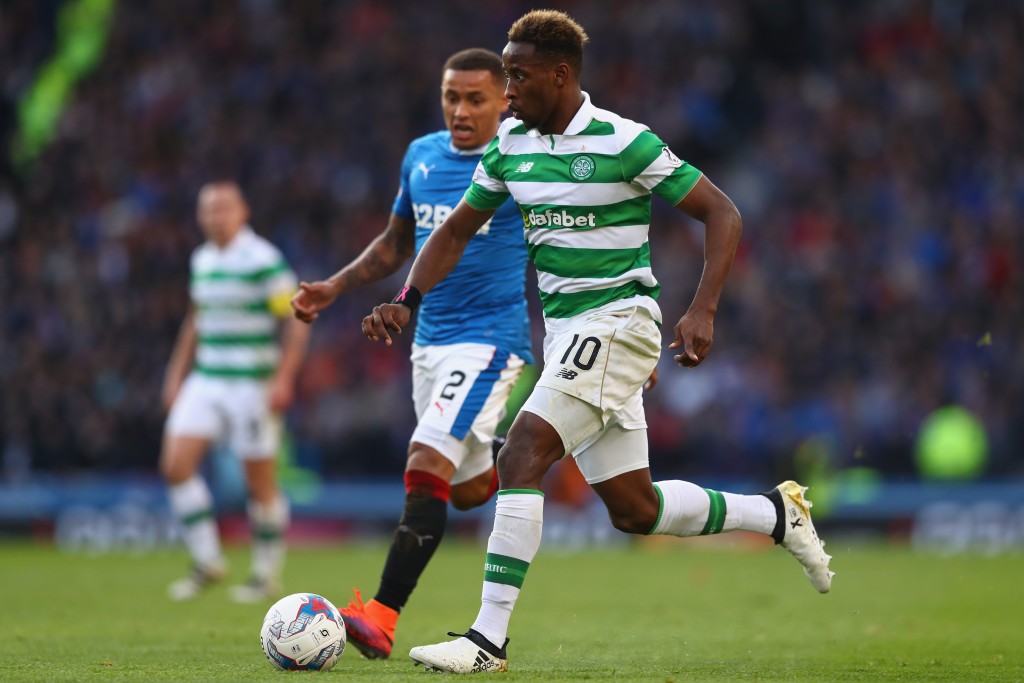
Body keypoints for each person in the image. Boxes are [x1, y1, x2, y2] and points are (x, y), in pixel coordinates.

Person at [361, 9, 835, 673]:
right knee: (635, 508)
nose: (509, 90)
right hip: (567, 336)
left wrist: (703, 309)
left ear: (561, 76)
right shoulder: (509, 148)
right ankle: (777, 513)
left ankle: (486, 639)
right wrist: (407, 299)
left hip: (620, 321)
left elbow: (722, 211)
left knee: (521, 451)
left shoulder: (624, 141)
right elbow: (454, 232)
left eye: (518, 77)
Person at [290, 48, 533, 660]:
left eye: (476, 98)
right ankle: (537, 452)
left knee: (425, 461)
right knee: (472, 486)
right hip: (428, 348)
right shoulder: (421, 156)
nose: (460, 110)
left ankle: (381, 615)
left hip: (489, 343)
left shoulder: (524, 162)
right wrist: (336, 286)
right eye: (452, 96)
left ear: (505, 100)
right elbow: (399, 241)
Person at [161, 181, 310, 603]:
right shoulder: (202, 258)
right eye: (208, 208)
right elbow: (196, 319)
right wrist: (176, 374)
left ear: (243, 212)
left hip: (252, 383)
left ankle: (265, 574)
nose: (216, 216)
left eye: (224, 208)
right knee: (175, 465)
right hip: (207, 378)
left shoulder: (263, 260)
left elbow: (295, 319)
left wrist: (283, 377)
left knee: (258, 482)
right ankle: (208, 560)